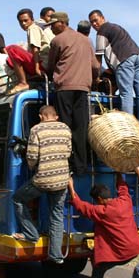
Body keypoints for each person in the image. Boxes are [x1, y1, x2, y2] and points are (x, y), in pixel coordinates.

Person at [67, 175, 139, 278]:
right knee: (98, 264)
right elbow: (123, 188)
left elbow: (81, 206)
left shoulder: (103, 211)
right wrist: (118, 172)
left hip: (122, 251)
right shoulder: (125, 201)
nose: (96, 203)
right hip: (135, 248)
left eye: (97, 201)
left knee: (98, 268)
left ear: (100, 199)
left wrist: (71, 186)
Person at [11, 105, 72, 263]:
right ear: (56, 116)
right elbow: (67, 151)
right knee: (57, 215)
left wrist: (32, 167)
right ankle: (56, 255)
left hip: (43, 179)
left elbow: (31, 155)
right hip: (62, 179)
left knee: (18, 199)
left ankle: (31, 234)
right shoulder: (65, 128)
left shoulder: (36, 129)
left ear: (41, 116)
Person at [47, 11, 99, 175]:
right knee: (81, 127)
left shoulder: (57, 40)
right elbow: (96, 66)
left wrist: (49, 75)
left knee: (65, 126)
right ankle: (81, 167)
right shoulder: (86, 40)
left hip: (64, 88)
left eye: (53, 25)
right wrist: (94, 80)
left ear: (62, 23)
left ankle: (66, 164)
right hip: (83, 89)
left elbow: (50, 65)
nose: (51, 28)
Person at [88, 9, 139, 131]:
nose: (94, 24)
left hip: (124, 60)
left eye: (95, 20)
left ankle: (129, 128)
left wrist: (96, 77)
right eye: (92, 23)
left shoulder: (102, 31)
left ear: (102, 18)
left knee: (125, 93)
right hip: (138, 56)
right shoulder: (116, 27)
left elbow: (98, 57)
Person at [6, 8, 55, 94]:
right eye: (21, 22)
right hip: (50, 65)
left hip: (42, 66)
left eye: (25, 20)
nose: (23, 24)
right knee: (10, 60)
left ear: (32, 19)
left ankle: (23, 82)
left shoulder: (33, 28)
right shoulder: (45, 27)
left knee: (11, 49)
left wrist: (36, 68)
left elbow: (35, 48)